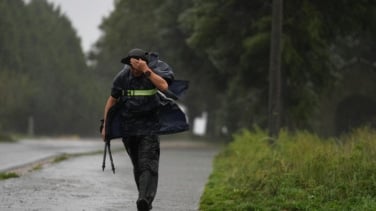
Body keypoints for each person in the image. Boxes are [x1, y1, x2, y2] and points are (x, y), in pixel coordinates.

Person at [101, 48, 181, 211]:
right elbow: (111, 101)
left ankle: (144, 199)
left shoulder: (150, 74)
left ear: (143, 63)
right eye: (132, 65)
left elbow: (164, 86)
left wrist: (146, 71)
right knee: (138, 165)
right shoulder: (122, 77)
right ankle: (144, 199)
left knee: (148, 164)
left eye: (138, 65)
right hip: (129, 129)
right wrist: (105, 126)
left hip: (149, 127)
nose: (134, 68)